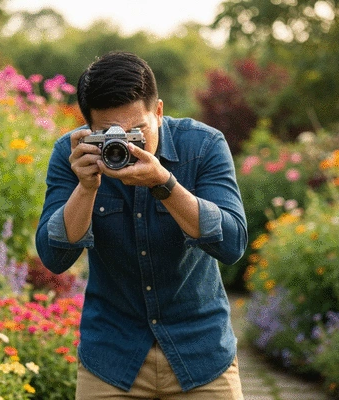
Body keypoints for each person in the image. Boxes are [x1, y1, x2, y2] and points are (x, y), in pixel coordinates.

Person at [35, 51, 248, 399]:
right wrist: (86, 188)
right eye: (106, 133)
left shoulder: (204, 146)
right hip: (112, 356)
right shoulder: (71, 154)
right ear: (88, 127)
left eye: (137, 130)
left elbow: (232, 244)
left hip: (200, 351)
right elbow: (54, 256)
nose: (123, 142)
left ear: (159, 112)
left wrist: (164, 183)